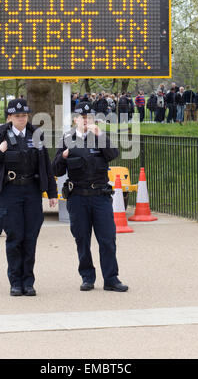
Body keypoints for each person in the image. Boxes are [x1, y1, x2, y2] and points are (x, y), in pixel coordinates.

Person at [0, 98, 58, 296]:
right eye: (17, 116)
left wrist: (51, 192)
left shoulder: (36, 134)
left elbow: (46, 166)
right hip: (9, 192)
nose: (21, 119)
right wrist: (0, 150)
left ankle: (28, 282)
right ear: (9, 117)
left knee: (30, 238)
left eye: (24, 115)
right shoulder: (0, 134)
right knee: (15, 237)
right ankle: (15, 282)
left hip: (31, 190)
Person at [52, 101, 128, 293]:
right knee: (82, 239)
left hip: (100, 195)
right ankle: (87, 277)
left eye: (89, 118)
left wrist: (100, 135)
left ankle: (111, 278)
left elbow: (112, 155)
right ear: (75, 119)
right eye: (82, 117)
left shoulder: (100, 137)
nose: (86, 121)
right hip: (78, 197)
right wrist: (64, 156)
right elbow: (56, 169)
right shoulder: (67, 138)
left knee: (107, 239)